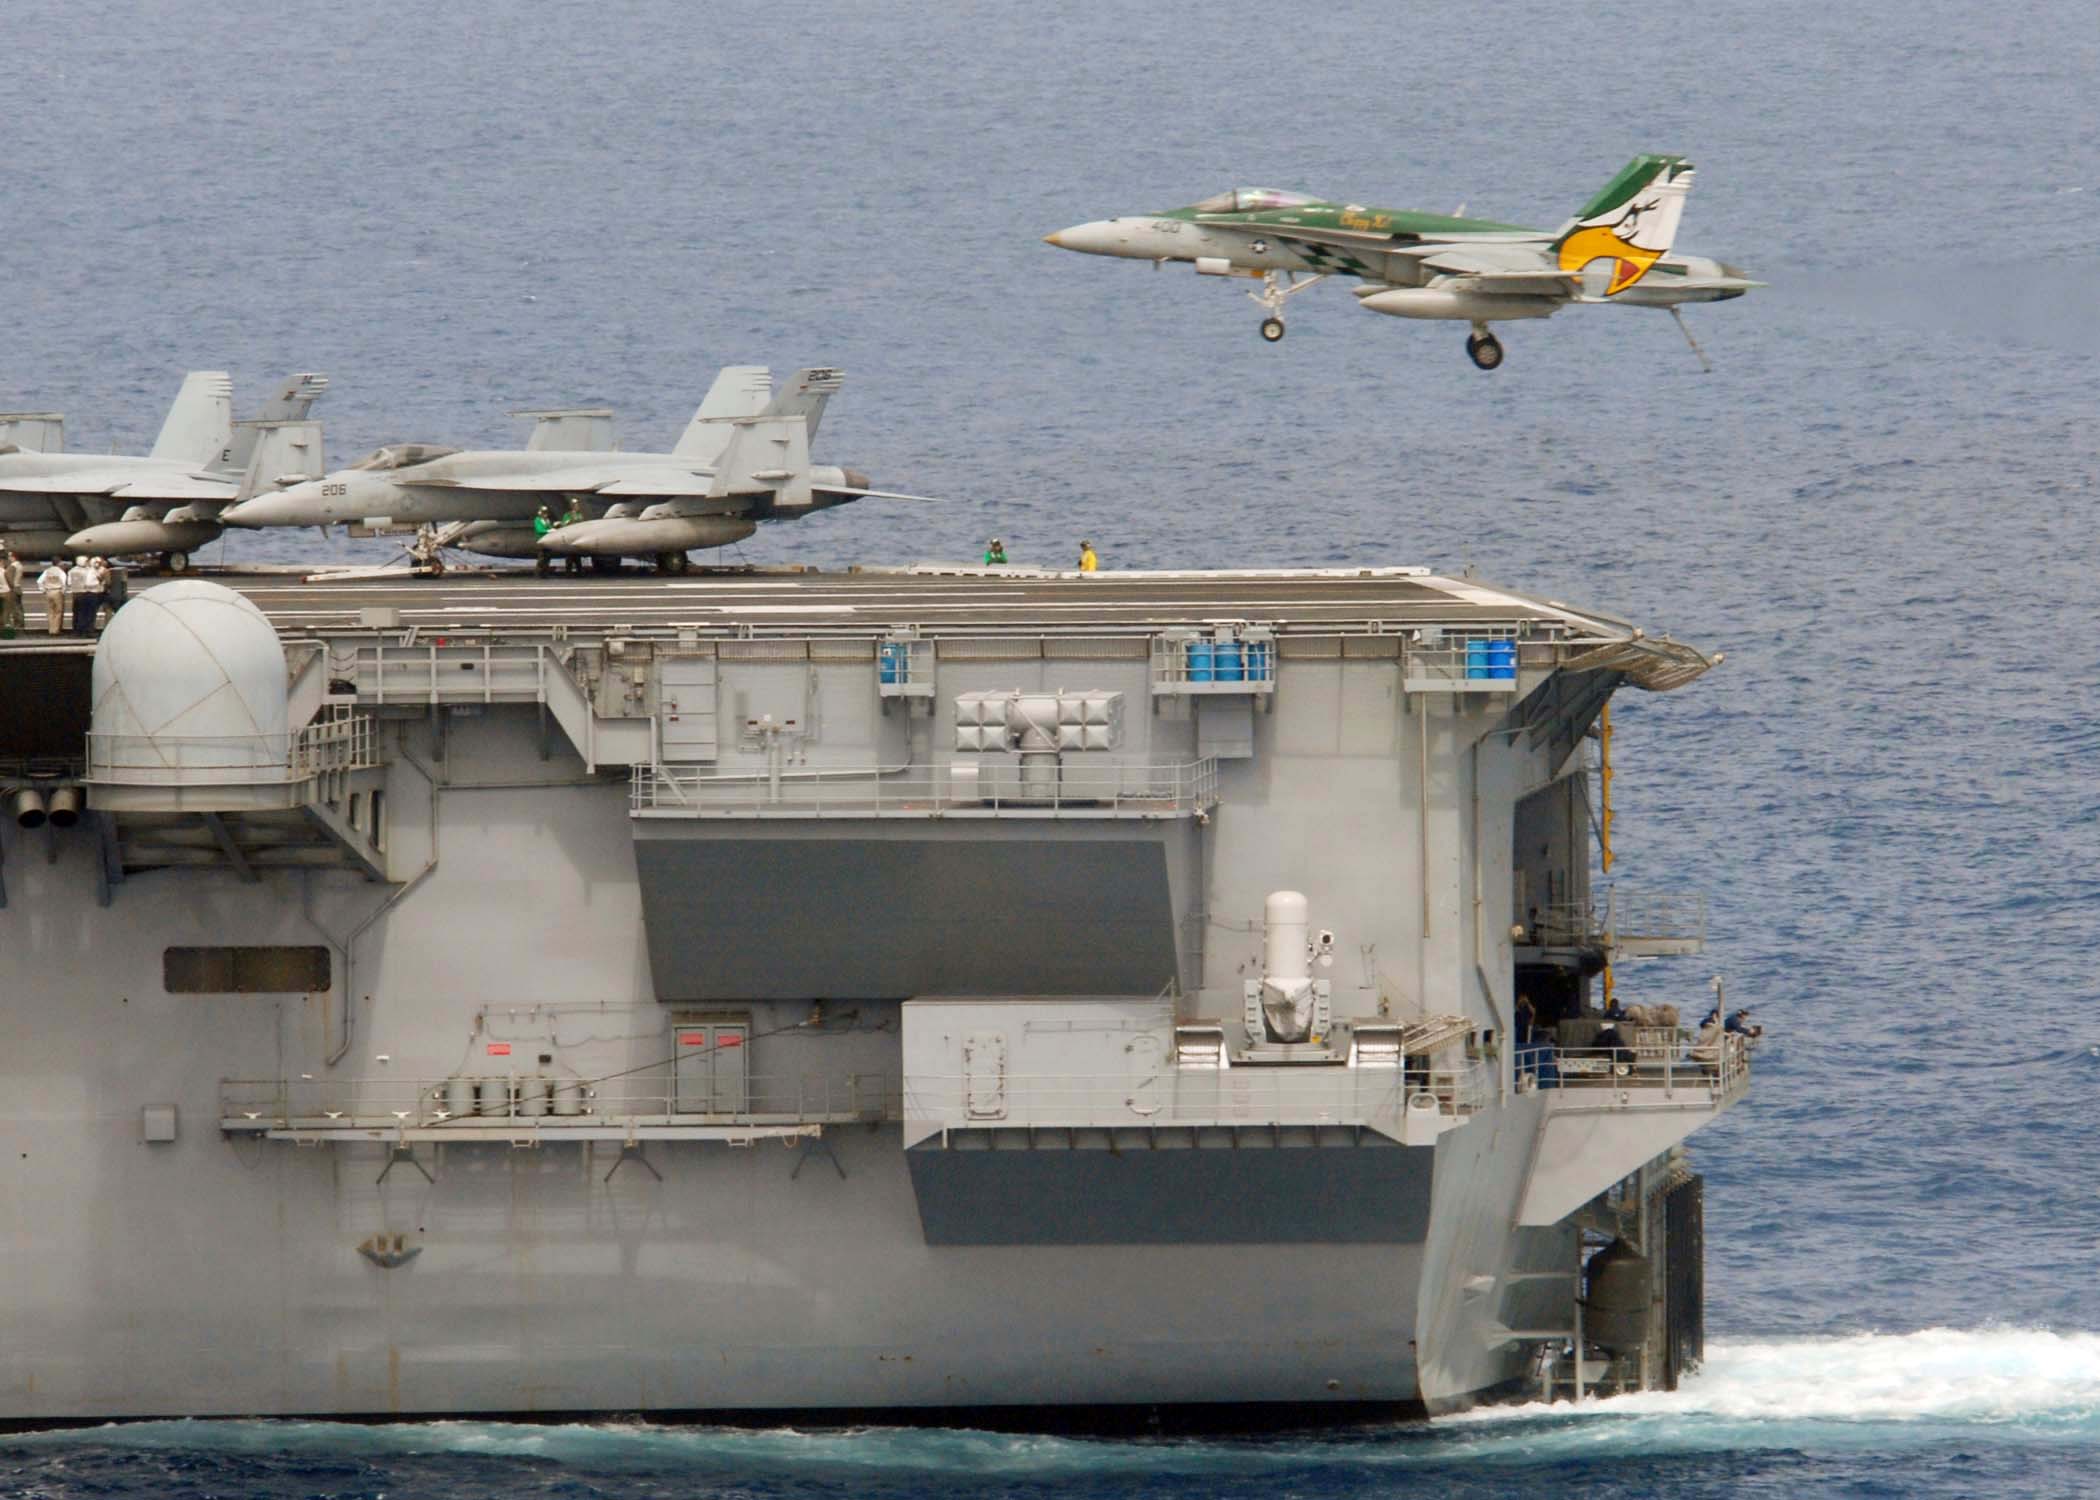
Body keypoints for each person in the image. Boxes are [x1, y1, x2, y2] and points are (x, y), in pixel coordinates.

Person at [67, 555, 99, 635]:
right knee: (87, 613)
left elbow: (69, 582)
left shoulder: (72, 571)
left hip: (75, 593)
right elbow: (89, 582)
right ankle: (87, 630)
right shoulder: (88, 571)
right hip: (85, 593)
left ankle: (76, 630)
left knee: (76, 613)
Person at [37, 559, 67, 635]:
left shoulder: (47, 571)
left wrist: (43, 590)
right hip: (57, 591)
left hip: (48, 591)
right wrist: (63, 591)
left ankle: (51, 629)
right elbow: (63, 582)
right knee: (58, 611)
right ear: (59, 563)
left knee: (50, 612)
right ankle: (56, 630)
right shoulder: (60, 572)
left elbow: (39, 581)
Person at [0, 545, 22, 633]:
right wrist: (12, 588)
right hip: (6, 592)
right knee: (7, 612)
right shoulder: (5, 571)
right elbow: (9, 581)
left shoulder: (12, 567)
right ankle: (6, 629)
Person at [533, 505, 554, 575]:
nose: (545, 514)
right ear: (540, 513)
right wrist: (548, 531)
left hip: (548, 541)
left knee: (548, 557)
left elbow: (550, 527)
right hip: (541, 541)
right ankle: (538, 572)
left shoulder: (547, 520)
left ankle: (545, 572)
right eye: (544, 512)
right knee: (541, 558)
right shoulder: (537, 520)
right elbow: (539, 530)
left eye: (546, 512)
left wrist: (553, 528)